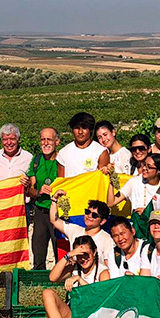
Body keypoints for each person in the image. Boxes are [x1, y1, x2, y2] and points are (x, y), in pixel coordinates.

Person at [28, 237, 107, 318]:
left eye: (86, 254)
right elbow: (53, 277)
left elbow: (101, 298)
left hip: (91, 315)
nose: (83, 259)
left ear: (94, 252)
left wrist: (80, 280)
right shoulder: (74, 268)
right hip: (72, 313)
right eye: (79, 256)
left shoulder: (103, 272)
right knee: (47, 293)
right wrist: (68, 255)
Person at [48, 191, 114, 265]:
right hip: (75, 274)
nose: (89, 216)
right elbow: (54, 220)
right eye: (87, 212)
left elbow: (109, 264)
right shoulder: (75, 230)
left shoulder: (107, 239)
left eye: (94, 215)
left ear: (102, 221)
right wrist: (54, 200)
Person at [27, 128, 60, 270]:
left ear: (57, 142)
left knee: (60, 249)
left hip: (58, 212)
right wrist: (38, 192)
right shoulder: (36, 160)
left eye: (49, 139)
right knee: (38, 250)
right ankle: (37, 284)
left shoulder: (62, 161)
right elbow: (30, 190)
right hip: (40, 210)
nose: (45, 143)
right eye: (42, 139)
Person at [56, 112, 109, 178]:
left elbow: (103, 180)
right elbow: (61, 181)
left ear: (90, 130)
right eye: (77, 128)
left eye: (84, 128)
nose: (80, 132)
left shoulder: (101, 152)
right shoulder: (63, 153)